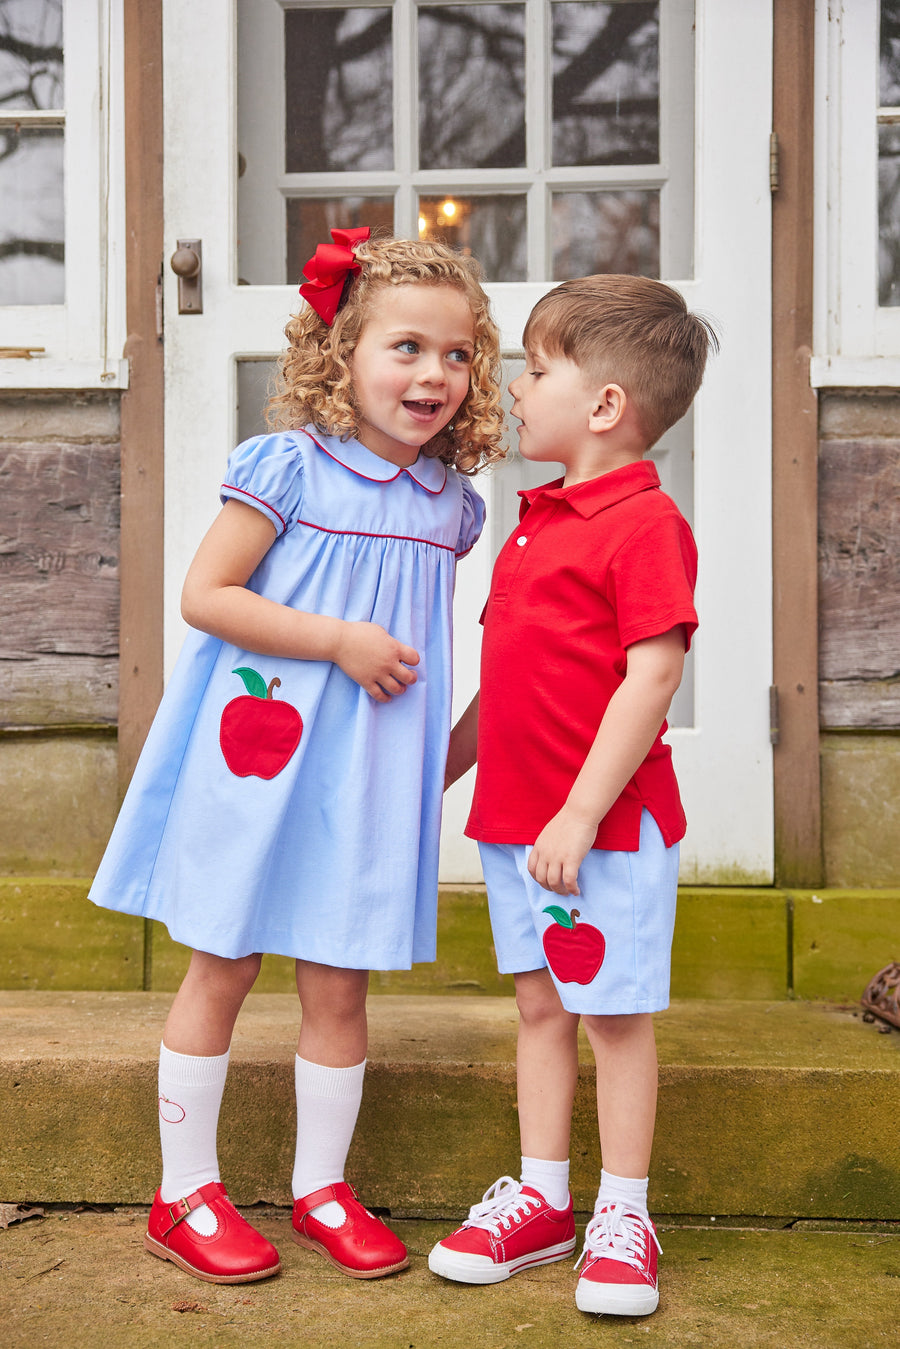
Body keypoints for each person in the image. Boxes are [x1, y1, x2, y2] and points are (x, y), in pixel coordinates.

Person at [89, 228, 504, 1285]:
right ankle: (184, 1191)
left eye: (458, 355)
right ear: (341, 350)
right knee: (223, 961)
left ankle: (322, 1184)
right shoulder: (290, 467)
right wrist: (337, 641)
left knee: (339, 982)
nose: (434, 375)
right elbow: (208, 595)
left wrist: (434, 767)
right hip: (261, 760)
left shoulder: (450, 507)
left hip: (362, 778)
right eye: (406, 347)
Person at [427, 274, 717, 1317]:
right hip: (517, 825)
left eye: (537, 369)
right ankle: (543, 1197)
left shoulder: (644, 524)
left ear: (604, 405)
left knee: (615, 1017)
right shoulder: (534, 522)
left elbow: (653, 675)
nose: (512, 384)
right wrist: (431, 778)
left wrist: (583, 813)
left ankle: (623, 1211)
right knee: (540, 1005)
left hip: (606, 829)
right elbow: (503, 687)